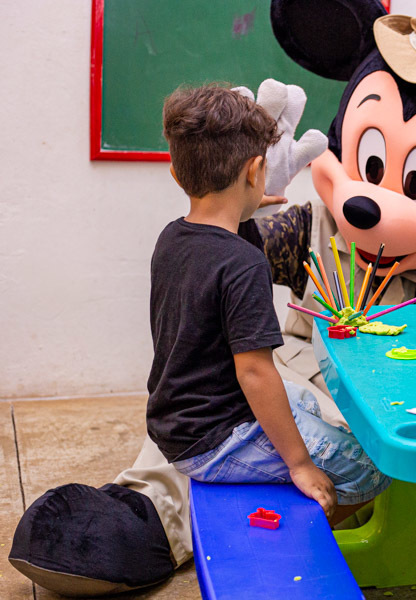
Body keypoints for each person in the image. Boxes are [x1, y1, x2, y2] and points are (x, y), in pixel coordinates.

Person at [151, 84, 389, 525]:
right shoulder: (242, 264)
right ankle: (300, 530)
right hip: (217, 440)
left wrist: (249, 206)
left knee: (306, 401)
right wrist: (300, 463)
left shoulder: (172, 237)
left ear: (176, 172)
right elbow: (255, 372)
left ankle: (293, 476)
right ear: (256, 170)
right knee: (373, 469)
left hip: (178, 423)